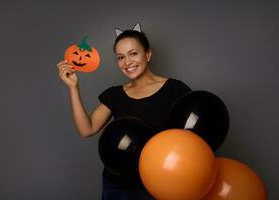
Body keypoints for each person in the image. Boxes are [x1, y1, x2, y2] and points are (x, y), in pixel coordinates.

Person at [57, 29, 191, 200]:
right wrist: (73, 88)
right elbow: (87, 129)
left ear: (148, 54)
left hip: (163, 183)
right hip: (119, 187)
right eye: (120, 57)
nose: (127, 62)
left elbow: (193, 139)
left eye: (133, 54)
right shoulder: (115, 95)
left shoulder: (175, 89)